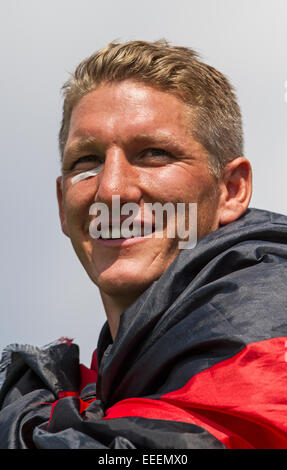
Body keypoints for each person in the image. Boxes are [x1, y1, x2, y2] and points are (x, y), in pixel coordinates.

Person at [0, 40, 287, 449]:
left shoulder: (270, 333)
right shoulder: (92, 399)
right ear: (63, 206)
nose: (111, 189)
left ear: (231, 189)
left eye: (154, 153)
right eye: (86, 161)